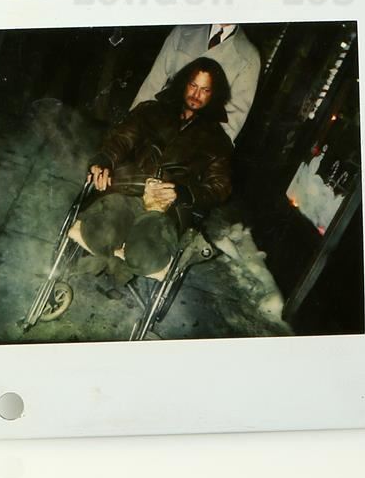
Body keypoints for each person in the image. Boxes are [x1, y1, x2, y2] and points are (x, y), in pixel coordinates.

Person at [80, 57, 233, 287]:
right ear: (183, 83)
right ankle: (111, 257)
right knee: (98, 233)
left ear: (214, 95)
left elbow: (219, 187)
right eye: (193, 85)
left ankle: (121, 269)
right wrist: (103, 161)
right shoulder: (150, 111)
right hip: (128, 192)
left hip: (167, 211)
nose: (196, 95)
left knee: (144, 258)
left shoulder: (218, 142)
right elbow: (121, 140)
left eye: (205, 90)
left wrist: (184, 192)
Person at [132, 23, 259, 141]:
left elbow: (231, 122)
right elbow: (153, 83)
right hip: (154, 127)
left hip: (194, 143)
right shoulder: (183, 30)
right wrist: (132, 124)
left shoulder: (249, 57)